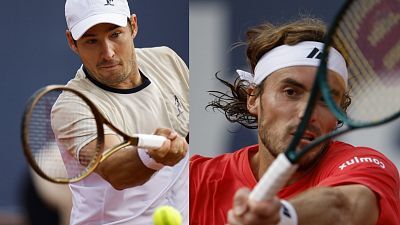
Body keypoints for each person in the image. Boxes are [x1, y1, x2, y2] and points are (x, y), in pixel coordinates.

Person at [190, 18, 400, 225]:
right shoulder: (195, 180)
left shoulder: (367, 166)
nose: (306, 113)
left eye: (324, 99)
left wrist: (282, 215)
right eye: (291, 92)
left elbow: (344, 207)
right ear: (253, 99)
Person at [50, 0, 189, 224]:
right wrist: (154, 155)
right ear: (72, 42)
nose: (108, 53)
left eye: (115, 34)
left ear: (133, 26)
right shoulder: (72, 105)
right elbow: (116, 170)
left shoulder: (167, 61)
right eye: (91, 41)